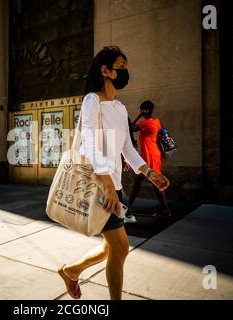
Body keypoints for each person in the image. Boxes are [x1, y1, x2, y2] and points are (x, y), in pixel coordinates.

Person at [57, 46, 170, 300]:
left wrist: (149, 172)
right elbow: (88, 140)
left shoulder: (119, 108)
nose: (125, 71)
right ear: (105, 71)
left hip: (113, 187)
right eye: (121, 66)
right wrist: (107, 184)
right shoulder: (92, 100)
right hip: (101, 186)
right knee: (120, 248)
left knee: (111, 248)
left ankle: (71, 271)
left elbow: (128, 148)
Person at [125, 100, 172, 219]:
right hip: (154, 155)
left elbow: (129, 128)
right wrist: (162, 152)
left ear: (144, 110)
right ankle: (129, 208)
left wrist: (138, 116)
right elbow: (159, 138)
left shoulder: (144, 123)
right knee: (143, 182)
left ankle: (165, 210)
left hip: (148, 157)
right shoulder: (157, 121)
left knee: (154, 182)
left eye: (141, 110)